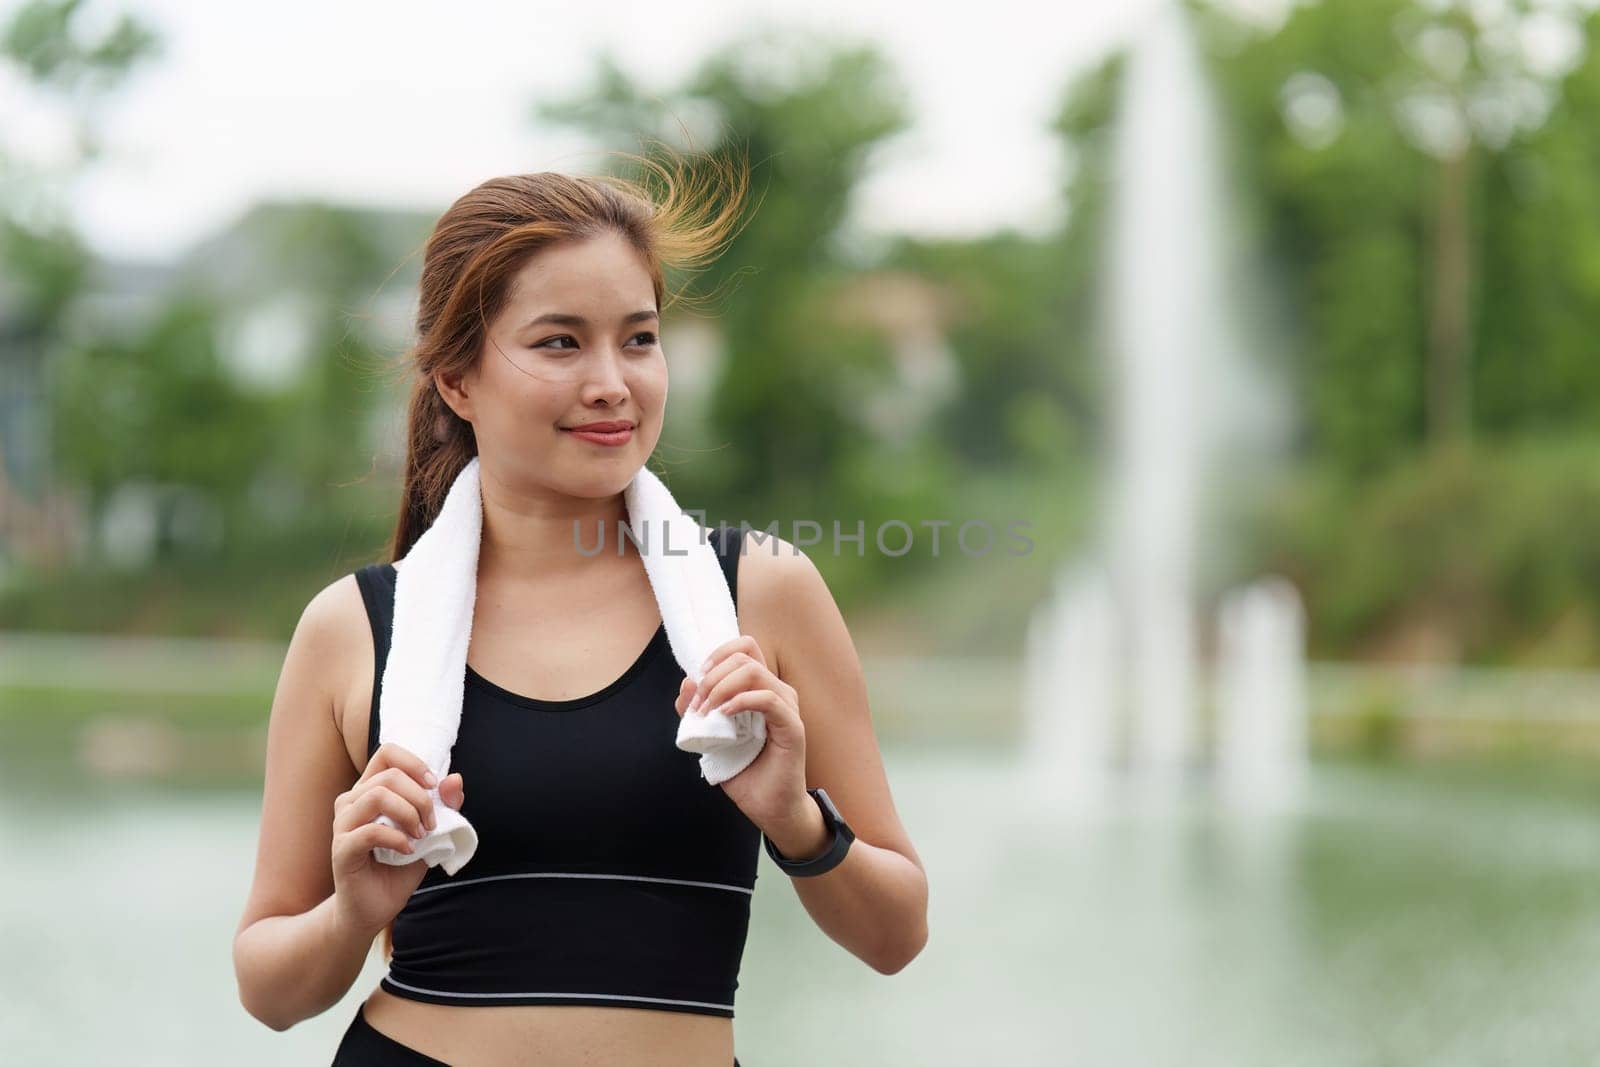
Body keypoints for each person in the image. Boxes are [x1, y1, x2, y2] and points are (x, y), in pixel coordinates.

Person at [232, 148, 929, 1065]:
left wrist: (797, 819)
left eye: (638, 338)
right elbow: (269, 989)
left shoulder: (760, 593)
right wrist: (353, 911)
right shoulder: (356, 627)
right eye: (560, 341)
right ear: (457, 379)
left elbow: (895, 935)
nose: (613, 381)